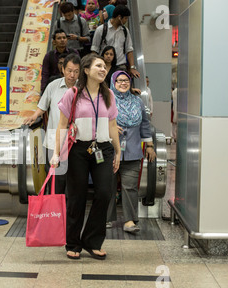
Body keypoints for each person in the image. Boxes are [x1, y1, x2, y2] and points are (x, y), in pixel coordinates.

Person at [50, 54, 121, 260]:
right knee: (77, 196)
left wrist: (117, 152)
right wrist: (56, 153)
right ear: (86, 70)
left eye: (104, 66)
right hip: (78, 149)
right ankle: (73, 242)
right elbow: (62, 125)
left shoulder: (109, 95)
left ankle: (92, 240)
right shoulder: (73, 94)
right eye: (98, 65)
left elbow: (112, 126)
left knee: (105, 193)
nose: (103, 69)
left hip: (103, 149)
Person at [24, 54, 81, 194]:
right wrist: (34, 116)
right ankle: (54, 210)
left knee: (74, 178)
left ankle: (69, 211)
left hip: (76, 141)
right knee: (55, 178)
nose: (72, 75)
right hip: (53, 141)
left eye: (76, 71)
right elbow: (42, 107)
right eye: (69, 70)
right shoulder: (53, 86)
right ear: (62, 69)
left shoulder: (82, 88)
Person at [106, 71, 156, 233]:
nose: (123, 83)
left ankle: (129, 220)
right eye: (119, 80)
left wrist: (149, 145)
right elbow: (96, 119)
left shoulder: (137, 101)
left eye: (126, 80)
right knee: (107, 186)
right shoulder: (106, 101)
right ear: (114, 82)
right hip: (110, 152)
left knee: (130, 187)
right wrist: (109, 126)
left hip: (133, 151)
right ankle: (106, 218)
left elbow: (145, 124)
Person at [91, 5, 140, 78]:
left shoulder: (125, 31)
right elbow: (95, 50)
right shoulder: (101, 30)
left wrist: (132, 67)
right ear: (119, 17)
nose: (126, 21)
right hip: (105, 66)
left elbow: (129, 49)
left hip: (120, 66)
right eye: (125, 18)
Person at [41, 29, 79, 93]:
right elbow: (45, 74)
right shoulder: (49, 56)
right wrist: (43, 91)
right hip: (54, 86)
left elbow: (79, 70)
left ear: (67, 40)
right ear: (54, 42)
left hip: (72, 84)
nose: (62, 40)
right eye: (59, 38)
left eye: (64, 38)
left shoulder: (74, 53)